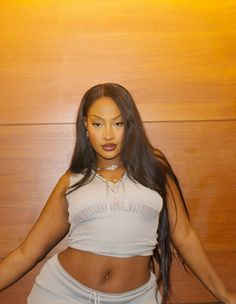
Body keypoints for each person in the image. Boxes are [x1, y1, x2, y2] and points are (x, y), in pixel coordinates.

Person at [0, 83, 235, 304]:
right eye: (98, 124)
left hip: (136, 297)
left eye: (118, 123)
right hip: (64, 293)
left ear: (129, 125)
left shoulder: (155, 168)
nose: (109, 135)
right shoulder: (72, 180)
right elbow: (27, 252)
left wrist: (225, 295)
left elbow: (184, 236)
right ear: (85, 125)